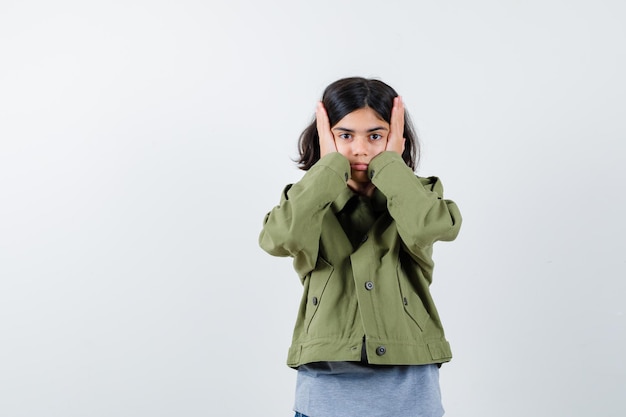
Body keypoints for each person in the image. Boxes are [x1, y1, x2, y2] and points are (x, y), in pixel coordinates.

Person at [258, 77, 462, 417]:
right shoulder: (307, 201)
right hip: (325, 395)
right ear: (325, 137)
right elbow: (278, 239)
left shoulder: (419, 195)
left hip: (409, 394)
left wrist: (390, 166)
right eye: (345, 135)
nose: (360, 149)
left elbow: (432, 225)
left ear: (396, 138)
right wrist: (328, 168)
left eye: (376, 135)